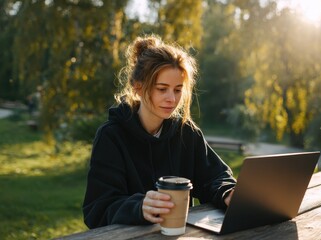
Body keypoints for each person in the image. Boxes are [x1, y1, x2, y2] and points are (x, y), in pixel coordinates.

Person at [82, 35, 236, 229]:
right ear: (138, 87)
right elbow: (97, 209)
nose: (172, 99)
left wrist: (228, 193)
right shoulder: (111, 136)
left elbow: (215, 177)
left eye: (178, 90)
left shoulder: (186, 133)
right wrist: (139, 207)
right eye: (162, 89)